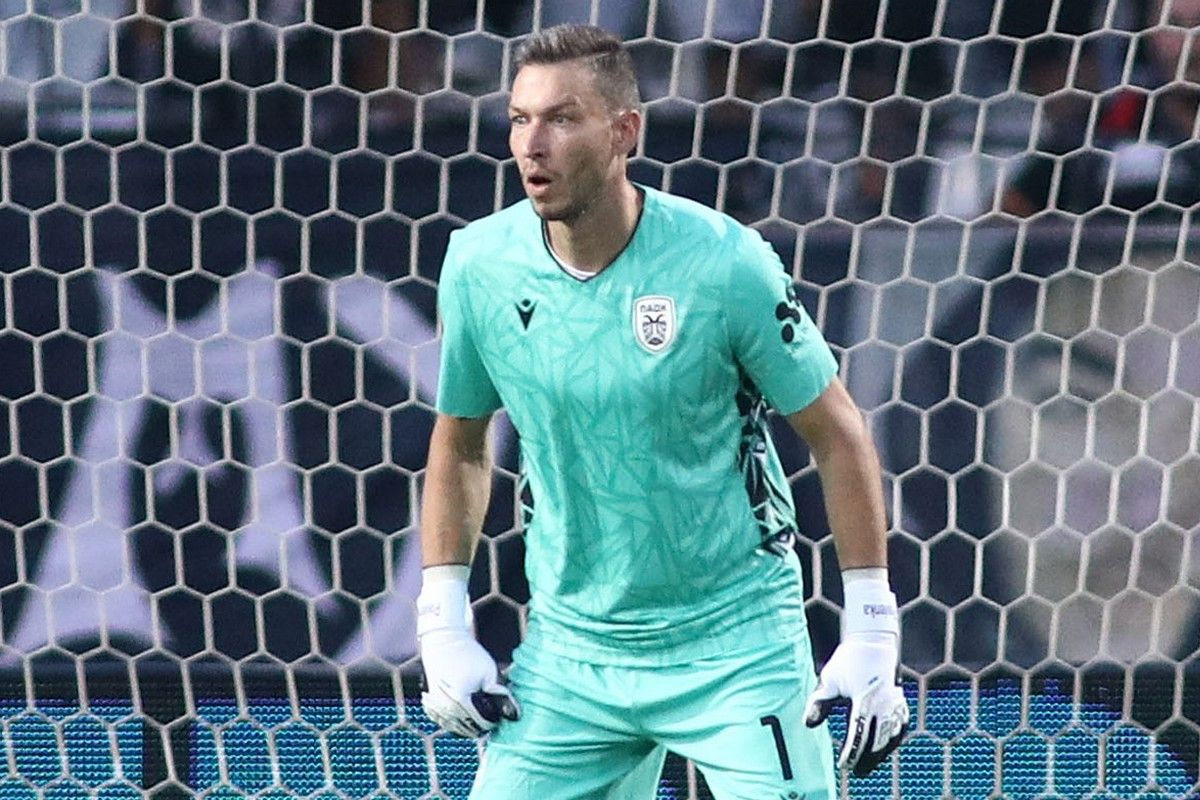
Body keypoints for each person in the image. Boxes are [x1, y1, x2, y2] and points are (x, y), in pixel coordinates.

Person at [417, 24, 908, 799]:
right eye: (519, 119)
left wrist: (872, 627)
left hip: (736, 649)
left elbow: (838, 435)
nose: (532, 145)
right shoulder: (480, 265)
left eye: (562, 119)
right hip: (573, 654)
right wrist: (442, 620)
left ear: (625, 132)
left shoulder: (724, 261)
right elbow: (462, 443)